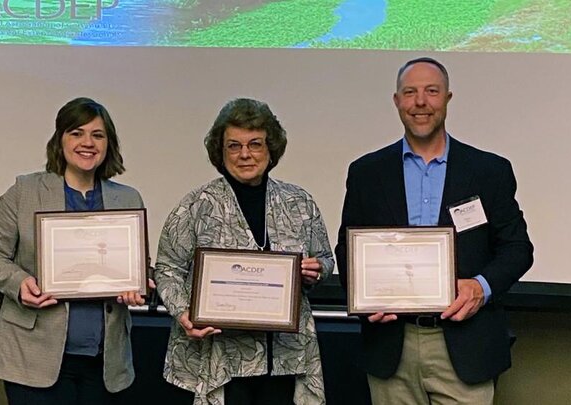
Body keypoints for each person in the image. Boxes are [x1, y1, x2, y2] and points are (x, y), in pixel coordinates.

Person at [335, 57, 534, 404]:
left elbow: (517, 249)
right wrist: (364, 297)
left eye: (431, 91)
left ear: (447, 98)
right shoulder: (367, 172)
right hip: (390, 346)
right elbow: (347, 250)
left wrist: (480, 288)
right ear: (397, 101)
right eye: (410, 92)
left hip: (465, 345)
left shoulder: (489, 170)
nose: (420, 102)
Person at [154, 98, 334, 405]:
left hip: (285, 359)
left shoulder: (299, 202)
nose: (245, 154)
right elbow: (167, 268)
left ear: (270, 148)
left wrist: (317, 270)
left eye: (255, 144)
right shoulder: (197, 205)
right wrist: (184, 313)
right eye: (234, 146)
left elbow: (326, 260)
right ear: (220, 153)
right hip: (221, 357)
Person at [0, 97, 145, 404]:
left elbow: (135, 264)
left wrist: (137, 284)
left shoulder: (128, 199)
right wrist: (19, 283)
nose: (87, 143)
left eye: (98, 134)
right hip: (32, 357)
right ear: (60, 140)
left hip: (105, 363)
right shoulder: (24, 191)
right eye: (76, 133)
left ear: (109, 143)